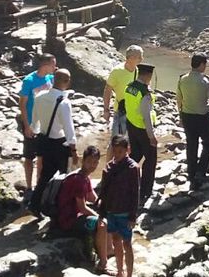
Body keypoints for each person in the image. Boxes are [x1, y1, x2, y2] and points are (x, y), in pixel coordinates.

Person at [28, 69, 78, 215]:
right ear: (66, 82)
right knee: (63, 177)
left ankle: (34, 204)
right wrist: (74, 150)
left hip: (44, 141)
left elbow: (35, 123)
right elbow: (69, 129)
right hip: (60, 144)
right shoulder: (64, 102)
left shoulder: (40, 96)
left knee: (45, 175)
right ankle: (59, 208)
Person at [56, 146, 112, 275]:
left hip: (75, 215)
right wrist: (99, 216)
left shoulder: (85, 177)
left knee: (108, 215)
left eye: (95, 162)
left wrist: (105, 206)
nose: (92, 165)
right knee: (102, 224)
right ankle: (103, 263)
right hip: (69, 220)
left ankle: (109, 249)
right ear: (83, 161)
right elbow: (82, 207)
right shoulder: (78, 180)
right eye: (89, 162)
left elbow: (93, 197)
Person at [176, 53, 209, 190]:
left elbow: (179, 99)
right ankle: (200, 172)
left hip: (187, 116)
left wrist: (180, 116)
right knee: (208, 143)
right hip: (202, 117)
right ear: (201, 64)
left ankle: (191, 173)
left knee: (191, 144)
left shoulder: (182, 79)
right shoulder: (206, 81)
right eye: (205, 64)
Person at [99, 136, 140, 277]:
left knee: (127, 243)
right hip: (111, 210)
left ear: (127, 150)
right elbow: (104, 190)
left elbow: (135, 194)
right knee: (116, 240)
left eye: (120, 151)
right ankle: (119, 271)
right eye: (115, 151)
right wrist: (102, 210)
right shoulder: (109, 167)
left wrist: (133, 216)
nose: (117, 155)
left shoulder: (133, 168)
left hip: (125, 212)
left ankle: (129, 274)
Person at [19, 53, 56, 203]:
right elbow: (22, 104)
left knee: (42, 156)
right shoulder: (29, 80)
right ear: (45, 65)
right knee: (29, 156)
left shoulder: (50, 79)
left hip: (45, 122)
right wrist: (27, 125)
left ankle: (40, 184)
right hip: (31, 122)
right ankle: (29, 187)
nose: (55, 67)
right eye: (53, 64)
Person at [124, 63, 158, 201]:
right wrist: (152, 136)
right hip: (143, 129)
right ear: (148, 75)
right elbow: (147, 116)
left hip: (131, 125)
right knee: (150, 160)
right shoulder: (144, 93)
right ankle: (146, 191)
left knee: (135, 156)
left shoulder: (129, 87)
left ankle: (127, 182)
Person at [103, 45, 144, 142]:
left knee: (130, 142)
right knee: (115, 142)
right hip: (120, 111)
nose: (142, 59)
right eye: (139, 56)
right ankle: (110, 157)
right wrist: (106, 109)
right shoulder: (117, 71)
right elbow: (108, 90)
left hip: (134, 112)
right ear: (130, 58)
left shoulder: (139, 71)